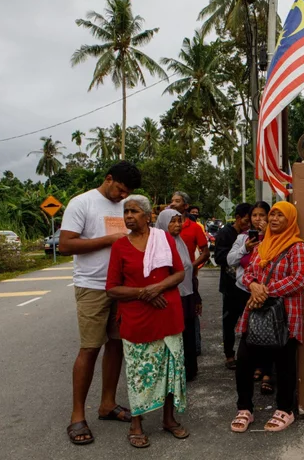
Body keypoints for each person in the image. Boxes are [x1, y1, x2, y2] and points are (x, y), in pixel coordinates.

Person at [59, 161, 141, 446]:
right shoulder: (82, 203)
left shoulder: (126, 207)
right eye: (120, 190)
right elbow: (66, 245)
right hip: (92, 286)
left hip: (121, 288)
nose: (122, 197)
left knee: (116, 345)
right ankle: (77, 415)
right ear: (108, 179)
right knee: (90, 348)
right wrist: (110, 240)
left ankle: (107, 404)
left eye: (127, 193)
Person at [106, 195, 189, 448]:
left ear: (147, 215)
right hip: (137, 319)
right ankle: (137, 424)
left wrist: (157, 288)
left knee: (169, 370)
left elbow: (179, 272)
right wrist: (144, 293)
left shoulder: (163, 239)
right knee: (138, 373)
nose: (129, 216)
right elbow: (112, 289)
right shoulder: (120, 246)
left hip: (167, 316)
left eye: (134, 211)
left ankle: (169, 419)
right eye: (126, 212)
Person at [231, 201, 304, 433]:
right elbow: (248, 274)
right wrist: (254, 286)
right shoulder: (261, 246)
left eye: (279, 216)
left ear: (290, 220)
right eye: (272, 215)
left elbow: (299, 279)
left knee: (284, 363)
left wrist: (263, 291)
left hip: (284, 316)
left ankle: (285, 409)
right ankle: (244, 408)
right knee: (244, 361)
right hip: (256, 314)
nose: (274, 219)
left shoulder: (298, 247)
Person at [228, 201, 274, 394]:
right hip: (244, 290)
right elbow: (230, 260)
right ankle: (255, 366)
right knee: (250, 333)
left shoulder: (275, 238)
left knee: (269, 332)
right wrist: (246, 247)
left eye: (262, 215)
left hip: (266, 293)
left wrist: (266, 237)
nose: (258, 219)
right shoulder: (242, 238)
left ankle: (267, 373)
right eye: (254, 215)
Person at [156, 209, 198, 381]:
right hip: (171, 297)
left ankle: (188, 370)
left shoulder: (179, 242)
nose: (177, 225)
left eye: (179, 221)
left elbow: (189, 271)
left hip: (186, 295)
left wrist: (196, 296)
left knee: (187, 333)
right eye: (172, 221)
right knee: (173, 336)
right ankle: (173, 373)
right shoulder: (159, 245)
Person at [214, 203, 253, 369]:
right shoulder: (225, 233)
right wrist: (239, 251)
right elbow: (219, 258)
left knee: (250, 323)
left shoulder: (252, 234)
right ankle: (229, 355)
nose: (249, 224)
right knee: (229, 323)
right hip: (230, 287)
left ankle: (249, 356)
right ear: (237, 218)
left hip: (247, 286)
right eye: (246, 220)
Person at [170, 192, 209, 356]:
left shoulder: (194, 228)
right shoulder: (166, 226)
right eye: (172, 201)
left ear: (185, 206)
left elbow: (205, 252)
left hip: (189, 278)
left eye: (177, 201)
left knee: (190, 315)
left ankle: (193, 351)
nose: (172, 204)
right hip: (169, 278)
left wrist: (191, 266)